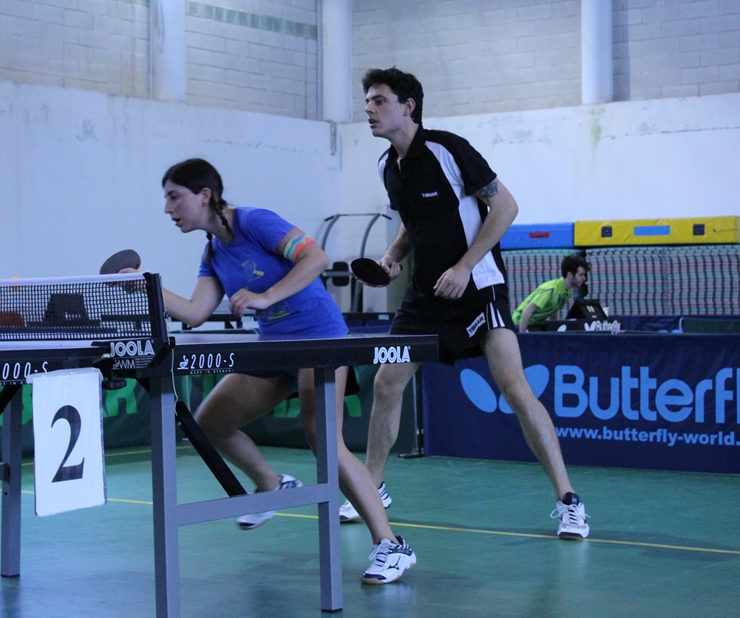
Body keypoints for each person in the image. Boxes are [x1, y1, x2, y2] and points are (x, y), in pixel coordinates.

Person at [347, 68, 589, 540]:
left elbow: (505, 208)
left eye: (379, 101)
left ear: (408, 106)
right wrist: (394, 257)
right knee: (386, 383)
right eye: (368, 102)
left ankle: (568, 500)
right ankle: (372, 488)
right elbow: (412, 224)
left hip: (479, 287)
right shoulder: (386, 167)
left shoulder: (448, 149)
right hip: (426, 297)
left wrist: (463, 266)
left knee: (515, 389)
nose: (369, 110)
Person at [157, 157, 416, 583]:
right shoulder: (213, 250)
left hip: (319, 340)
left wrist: (265, 296)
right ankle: (272, 484)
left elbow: (314, 258)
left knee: (324, 442)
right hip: (273, 351)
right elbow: (195, 311)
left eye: (174, 197)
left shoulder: (254, 221)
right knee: (209, 422)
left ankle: (391, 545)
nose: (168, 208)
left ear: (204, 195)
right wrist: (144, 286)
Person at [513, 254, 590, 332]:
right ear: (570, 275)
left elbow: (554, 310)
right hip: (520, 324)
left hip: (537, 324)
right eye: (581, 275)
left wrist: (553, 330)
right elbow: (527, 311)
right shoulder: (550, 290)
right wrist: (522, 336)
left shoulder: (568, 291)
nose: (584, 278)